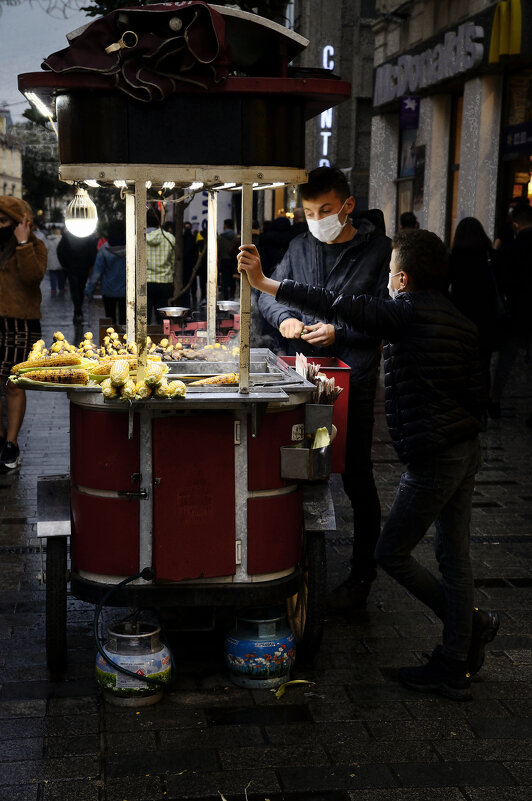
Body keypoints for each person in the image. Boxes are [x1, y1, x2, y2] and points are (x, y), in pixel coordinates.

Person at [238, 228, 499, 700]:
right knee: (454, 557)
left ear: (400, 277)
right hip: (464, 449)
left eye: (391, 277)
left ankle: (469, 629)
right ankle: (457, 656)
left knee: (391, 552)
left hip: (434, 457)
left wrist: (266, 284)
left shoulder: (407, 313)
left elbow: (337, 302)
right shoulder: (459, 319)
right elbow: (476, 396)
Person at [257, 166, 391, 611]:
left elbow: (385, 316)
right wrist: (285, 320)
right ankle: (289, 560)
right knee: (296, 467)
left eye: (326, 210)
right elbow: (267, 294)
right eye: (310, 211)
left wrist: (341, 333)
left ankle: (361, 579)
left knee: (355, 475)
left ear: (348, 206)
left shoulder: (380, 253)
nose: (317, 219)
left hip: (354, 376)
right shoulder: (298, 246)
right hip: (300, 373)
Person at [0, 196, 47, 472]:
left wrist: (22, 243)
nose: (0, 225)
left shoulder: (35, 246)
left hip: (20, 322)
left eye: (4, 220)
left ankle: (11, 443)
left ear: (21, 223)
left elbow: (32, 278)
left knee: (12, 384)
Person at [449, 217, 506, 404]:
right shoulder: (492, 257)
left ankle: (462, 403)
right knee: (483, 366)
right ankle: (481, 407)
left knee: (459, 365)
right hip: (486, 321)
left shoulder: (452, 259)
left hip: (459, 320)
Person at [491, 202, 532, 424]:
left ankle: (495, 400)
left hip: (516, 311)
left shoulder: (511, 249)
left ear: (515, 225)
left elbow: (502, 280)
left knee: (507, 358)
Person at [85, 220, 127, 325]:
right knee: (125, 321)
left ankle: (112, 340)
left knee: (110, 320)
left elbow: (96, 274)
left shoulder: (104, 250)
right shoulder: (131, 249)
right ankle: (126, 340)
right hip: (126, 290)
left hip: (108, 290)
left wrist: (89, 292)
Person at [57, 228, 97, 324]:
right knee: (80, 289)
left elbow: (60, 251)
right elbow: (93, 252)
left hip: (72, 268)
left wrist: (65, 265)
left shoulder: (67, 237)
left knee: (75, 290)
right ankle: (78, 310)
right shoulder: (88, 236)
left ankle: (77, 311)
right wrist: (89, 264)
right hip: (83, 268)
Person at [146, 207, 175, 324]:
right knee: (163, 321)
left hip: (145, 282)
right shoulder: (170, 238)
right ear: (160, 221)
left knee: (144, 319)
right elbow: (173, 262)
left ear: (145, 221)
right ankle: (163, 341)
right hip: (165, 282)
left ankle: (143, 341)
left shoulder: (139, 238)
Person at [217, 218, 239, 300]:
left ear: (226, 225)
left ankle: (225, 297)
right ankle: (232, 295)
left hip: (223, 260)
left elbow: (218, 249)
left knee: (224, 280)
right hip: (233, 260)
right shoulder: (235, 237)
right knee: (233, 278)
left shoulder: (221, 237)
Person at [44, 226, 67, 296]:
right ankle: (61, 288)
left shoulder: (48, 240)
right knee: (61, 275)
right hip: (60, 260)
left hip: (51, 261)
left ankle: (53, 289)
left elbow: (45, 249)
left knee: (52, 275)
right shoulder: (62, 240)